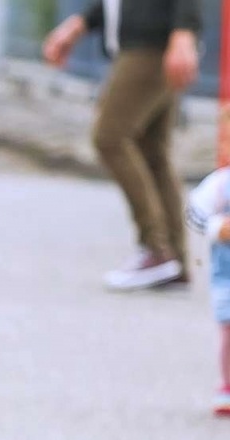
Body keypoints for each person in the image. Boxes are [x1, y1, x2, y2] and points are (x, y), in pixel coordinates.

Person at [43, 0, 203, 291]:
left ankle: (156, 250)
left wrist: (185, 32)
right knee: (152, 151)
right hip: (147, 43)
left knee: (109, 137)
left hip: (152, 46)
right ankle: (173, 261)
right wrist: (79, 25)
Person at [185, 167, 230, 413]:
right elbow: (195, 212)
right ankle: (228, 385)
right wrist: (216, 226)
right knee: (228, 330)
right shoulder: (222, 184)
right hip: (227, 276)